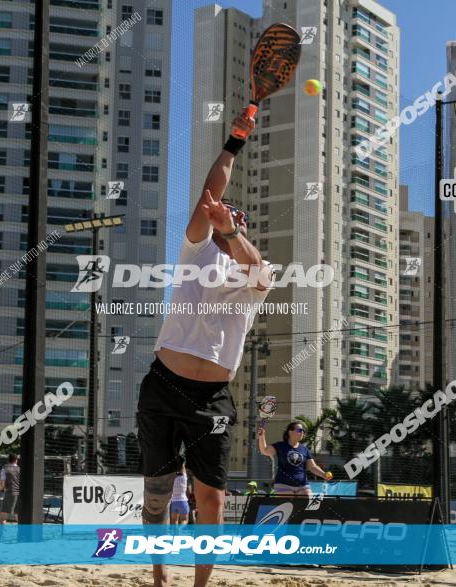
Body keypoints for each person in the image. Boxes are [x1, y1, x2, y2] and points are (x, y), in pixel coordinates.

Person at [136, 109, 271, 587]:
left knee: (210, 496)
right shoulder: (196, 250)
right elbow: (210, 191)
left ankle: (199, 585)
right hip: (163, 385)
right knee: (157, 493)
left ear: (243, 226)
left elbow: (253, 262)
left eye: (236, 216)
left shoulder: (257, 270)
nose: (225, 211)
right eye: (223, 212)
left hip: (212, 398)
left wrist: (233, 230)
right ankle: (158, 575)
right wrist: (235, 141)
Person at [258, 421, 331, 497]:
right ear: (290, 432)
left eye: (303, 431)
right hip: (283, 485)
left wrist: (323, 474)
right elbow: (265, 451)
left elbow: (312, 467)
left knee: (307, 502)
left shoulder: (304, 449)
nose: (302, 432)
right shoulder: (280, 446)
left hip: (302, 485)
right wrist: (261, 436)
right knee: (289, 505)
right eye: (299, 430)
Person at [0, 454, 20, 523]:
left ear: (8, 460)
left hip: (10, 493)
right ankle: (23, 532)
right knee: (18, 516)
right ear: (16, 460)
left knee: (3, 517)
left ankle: (2, 534)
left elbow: (2, 484)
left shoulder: (4, 469)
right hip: (20, 494)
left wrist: (0, 488)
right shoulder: (20, 469)